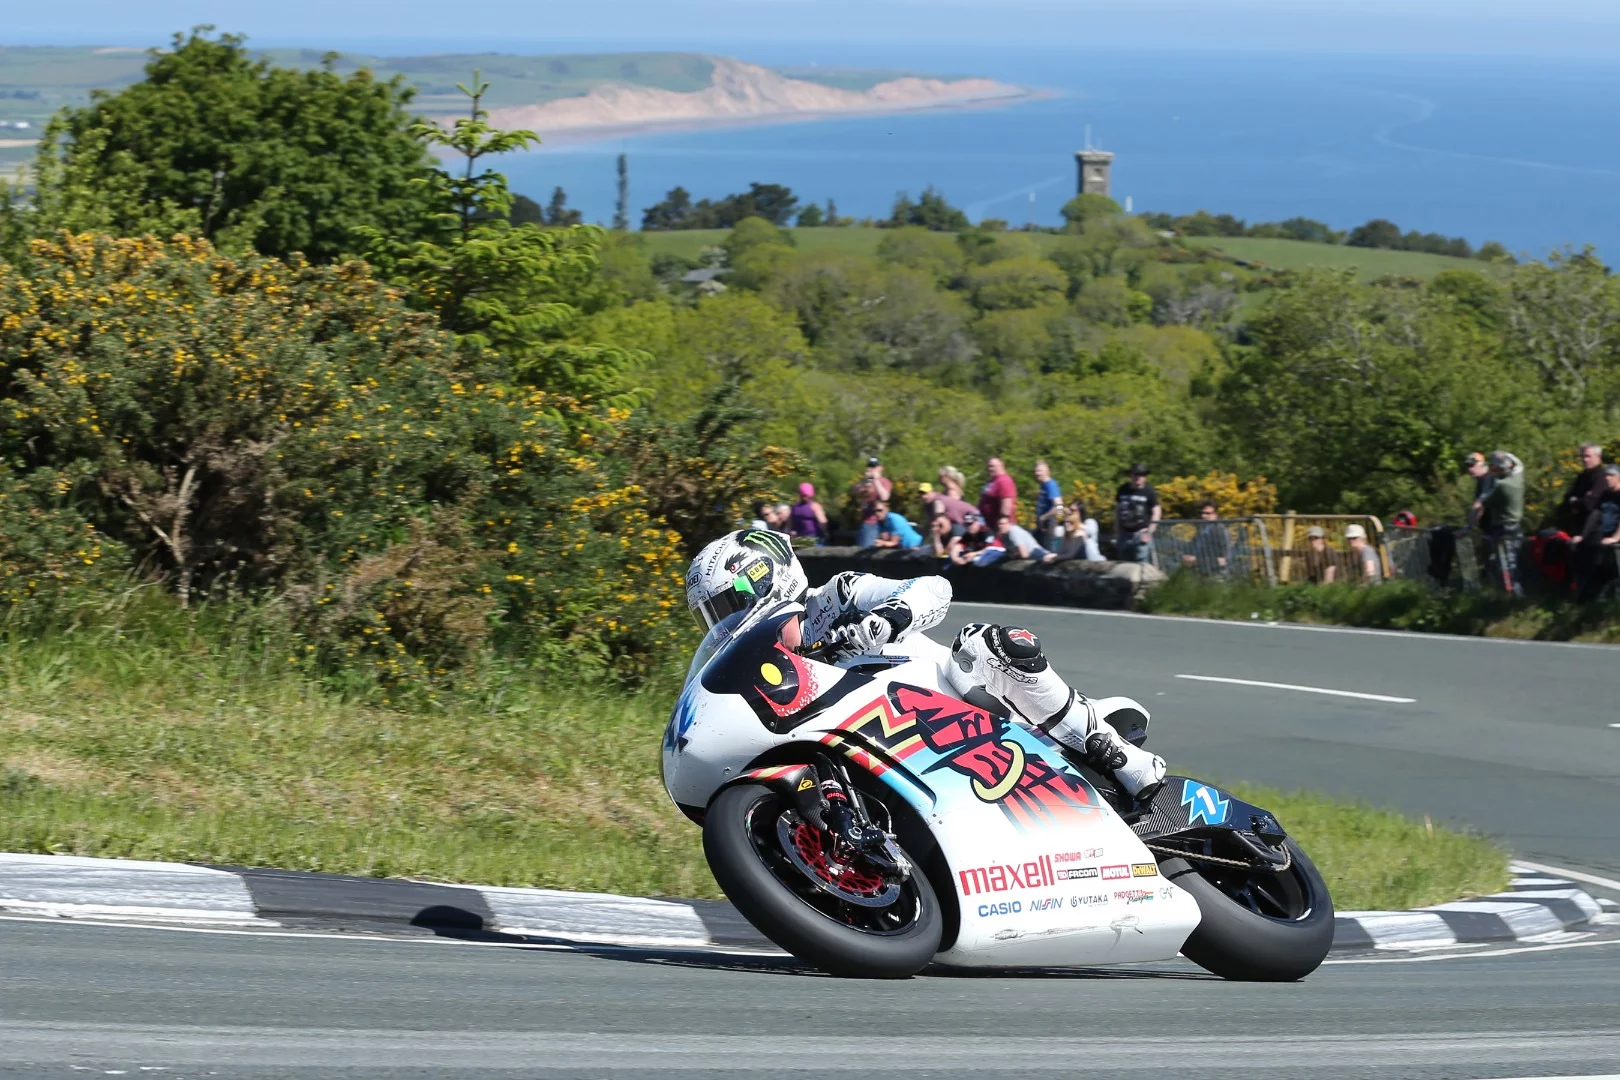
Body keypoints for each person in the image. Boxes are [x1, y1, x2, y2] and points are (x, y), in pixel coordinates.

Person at [684, 529, 1167, 798]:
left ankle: (1111, 752)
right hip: (897, 746)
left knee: (979, 646)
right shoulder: (767, 668)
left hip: (967, 707)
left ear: (765, 578)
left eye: (728, 605)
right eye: (712, 616)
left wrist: (889, 617)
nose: (724, 624)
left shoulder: (837, 595)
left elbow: (934, 588)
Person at [1480, 450, 1525, 597]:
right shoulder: (1518, 478)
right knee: (1515, 558)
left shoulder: (1501, 486)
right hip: (1516, 524)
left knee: (1503, 560)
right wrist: (1504, 455)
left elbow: (1485, 500)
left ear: (1499, 469)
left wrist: (1489, 479)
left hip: (1501, 526)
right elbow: (1519, 464)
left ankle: (1510, 590)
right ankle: (1518, 589)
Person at [1575, 464, 1620, 600]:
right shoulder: (1606, 494)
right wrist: (1583, 535)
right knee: (1583, 549)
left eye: (1611, 475)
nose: (1607, 478)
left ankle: (1595, 596)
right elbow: (1595, 514)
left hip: (1615, 535)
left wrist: (1615, 537)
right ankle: (1584, 596)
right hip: (1604, 533)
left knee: (1600, 559)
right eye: (1606, 475)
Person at [1113, 463, 1161, 564]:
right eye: (1135, 474)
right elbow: (1117, 510)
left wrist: (1149, 532)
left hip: (1141, 533)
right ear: (1130, 475)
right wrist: (1117, 531)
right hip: (1124, 534)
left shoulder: (1149, 491)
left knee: (1142, 565)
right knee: (1124, 565)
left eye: (1141, 475)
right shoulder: (1123, 489)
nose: (1138, 477)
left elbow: (1156, 511)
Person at [1558, 443, 1606, 536]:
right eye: (1583, 456)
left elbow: (1590, 504)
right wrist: (1578, 500)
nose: (1584, 460)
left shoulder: (1601, 477)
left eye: (1588, 456)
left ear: (1598, 457)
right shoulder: (1583, 476)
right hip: (1577, 524)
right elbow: (1568, 498)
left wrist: (1575, 501)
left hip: (1593, 528)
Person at [1181, 501, 1231, 578]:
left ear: (1216, 515)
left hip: (1214, 574)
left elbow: (1223, 559)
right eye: (1202, 513)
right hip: (1197, 571)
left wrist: (1196, 560)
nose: (1203, 516)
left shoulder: (1220, 530)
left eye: (1207, 513)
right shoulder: (1201, 529)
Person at [852, 458, 893, 548]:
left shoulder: (884, 482)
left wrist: (876, 480)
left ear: (880, 468)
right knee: (862, 548)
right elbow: (854, 490)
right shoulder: (865, 481)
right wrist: (864, 481)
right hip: (866, 521)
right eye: (870, 466)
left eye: (874, 467)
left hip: (878, 521)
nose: (872, 469)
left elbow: (885, 497)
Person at [978, 457, 1018, 530]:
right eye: (988, 466)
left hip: (998, 528)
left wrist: (1002, 524)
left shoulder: (1004, 481)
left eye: (992, 466)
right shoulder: (992, 481)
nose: (990, 469)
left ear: (1001, 465)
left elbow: (1006, 505)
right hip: (987, 525)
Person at [1033, 461, 1064, 548]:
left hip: (1049, 524)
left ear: (1047, 472)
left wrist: (1045, 517)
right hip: (1042, 524)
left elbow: (1059, 506)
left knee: (1049, 549)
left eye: (1039, 471)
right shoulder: (1043, 485)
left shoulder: (1051, 485)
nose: (1037, 473)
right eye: (1036, 471)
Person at [1464, 452, 1494, 528]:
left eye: (1472, 465)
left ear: (1481, 464)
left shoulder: (1489, 478)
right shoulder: (1482, 479)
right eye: (1467, 466)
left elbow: (1479, 505)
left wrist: (1468, 528)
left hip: (1496, 528)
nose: (1469, 469)